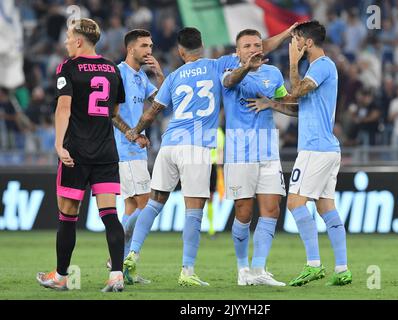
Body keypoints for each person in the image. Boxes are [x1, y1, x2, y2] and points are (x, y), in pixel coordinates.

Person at [122, 24, 298, 286]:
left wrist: (134, 131)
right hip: (195, 146)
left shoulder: (174, 76)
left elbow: (152, 112)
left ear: (180, 51)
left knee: (154, 203)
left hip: (170, 144)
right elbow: (253, 56)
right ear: (201, 46)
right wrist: (285, 35)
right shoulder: (217, 66)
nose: (252, 50)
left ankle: (132, 252)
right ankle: (187, 271)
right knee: (193, 211)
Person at [248, 21, 352, 286]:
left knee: (295, 202)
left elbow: (296, 90)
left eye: (295, 40)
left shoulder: (322, 66)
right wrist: (271, 104)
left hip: (315, 148)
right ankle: (342, 269)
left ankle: (313, 264)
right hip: (327, 149)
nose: (291, 44)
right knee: (327, 207)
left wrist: (293, 63)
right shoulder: (317, 69)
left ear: (307, 43)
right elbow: (299, 106)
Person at [37, 18, 130, 292]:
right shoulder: (112, 68)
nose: (65, 42)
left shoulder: (68, 67)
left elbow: (63, 108)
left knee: (67, 215)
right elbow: (114, 112)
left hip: (75, 152)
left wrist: (58, 144)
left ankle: (61, 276)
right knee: (110, 214)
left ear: (79, 40)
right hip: (105, 151)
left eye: (68, 37)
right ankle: (116, 275)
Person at [221, 29, 290, 286]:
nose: (253, 49)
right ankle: (243, 269)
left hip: (269, 152)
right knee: (243, 212)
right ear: (237, 52)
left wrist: (272, 104)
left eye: (257, 45)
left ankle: (259, 269)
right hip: (240, 153)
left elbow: (291, 105)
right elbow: (229, 83)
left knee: (272, 209)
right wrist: (246, 68)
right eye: (247, 45)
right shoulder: (231, 72)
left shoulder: (273, 74)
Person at [108, 29, 164, 285]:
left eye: (150, 45)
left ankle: (123, 267)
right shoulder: (119, 73)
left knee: (131, 207)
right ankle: (116, 258)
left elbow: (163, 101)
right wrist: (132, 134)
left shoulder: (141, 76)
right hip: (124, 150)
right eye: (144, 45)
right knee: (148, 205)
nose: (149, 50)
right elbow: (110, 111)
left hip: (136, 150)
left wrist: (160, 75)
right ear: (131, 49)